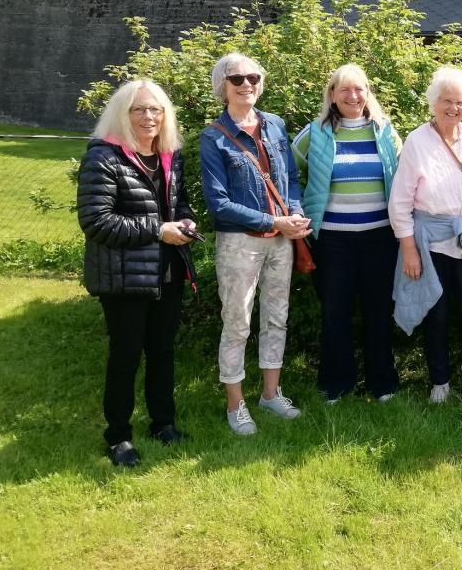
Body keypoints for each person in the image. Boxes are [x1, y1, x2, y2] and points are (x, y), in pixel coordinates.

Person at [77, 79, 196, 467]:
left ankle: (163, 423)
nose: (149, 117)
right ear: (122, 115)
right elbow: (96, 221)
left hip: (166, 272)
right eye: (139, 109)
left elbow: (181, 206)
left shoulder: (168, 155)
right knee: (125, 356)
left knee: (162, 352)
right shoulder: (103, 157)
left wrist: (186, 224)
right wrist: (158, 230)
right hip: (123, 277)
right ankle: (118, 437)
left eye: (156, 109)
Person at [199, 53, 311, 436]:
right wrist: (272, 221)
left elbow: (290, 180)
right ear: (223, 87)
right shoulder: (213, 136)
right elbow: (219, 204)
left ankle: (270, 393)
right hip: (239, 243)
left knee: (277, 316)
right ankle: (236, 404)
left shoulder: (276, 126)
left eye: (253, 77)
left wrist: (293, 214)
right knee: (238, 322)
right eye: (237, 79)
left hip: (281, 239)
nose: (247, 84)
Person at [292, 64, 403, 403]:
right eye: (345, 90)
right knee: (335, 312)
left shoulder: (385, 132)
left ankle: (382, 383)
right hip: (332, 240)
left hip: (380, 238)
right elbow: (288, 175)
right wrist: (298, 212)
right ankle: (336, 383)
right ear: (332, 96)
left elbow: (404, 177)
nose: (353, 96)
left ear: (368, 93)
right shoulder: (315, 133)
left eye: (359, 89)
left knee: (378, 310)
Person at [388, 66, 462, 409]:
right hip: (430, 244)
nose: (453, 108)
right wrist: (409, 250)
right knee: (437, 314)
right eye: (446, 101)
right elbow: (400, 202)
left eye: (460, 102)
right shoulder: (418, 142)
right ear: (434, 103)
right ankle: (440, 381)